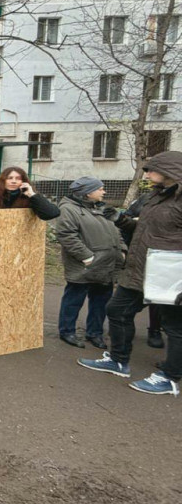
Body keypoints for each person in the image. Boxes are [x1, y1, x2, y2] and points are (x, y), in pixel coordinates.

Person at [79, 151, 182, 396]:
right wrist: (120, 220)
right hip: (140, 269)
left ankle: (169, 377)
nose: (146, 174)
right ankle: (118, 361)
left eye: (151, 169)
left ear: (170, 170)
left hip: (170, 274)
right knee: (117, 310)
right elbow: (147, 229)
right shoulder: (157, 196)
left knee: (175, 326)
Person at [0, 166, 60, 340]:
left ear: (24, 181)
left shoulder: (30, 203)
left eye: (18, 178)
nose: (13, 181)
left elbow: (52, 213)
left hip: (17, 258)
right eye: (10, 178)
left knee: (6, 295)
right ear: (3, 181)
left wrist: (32, 194)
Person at [55, 177, 125, 348]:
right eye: (100, 189)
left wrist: (122, 250)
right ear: (87, 192)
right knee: (74, 300)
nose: (104, 192)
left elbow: (117, 231)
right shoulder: (68, 209)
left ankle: (95, 333)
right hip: (84, 266)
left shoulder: (103, 208)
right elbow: (66, 235)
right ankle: (67, 331)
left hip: (107, 264)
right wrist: (87, 257)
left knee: (101, 302)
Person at [118, 188, 164, 349]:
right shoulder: (146, 198)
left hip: (163, 259)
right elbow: (128, 221)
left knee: (158, 299)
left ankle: (155, 330)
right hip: (138, 255)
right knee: (128, 296)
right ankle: (122, 326)